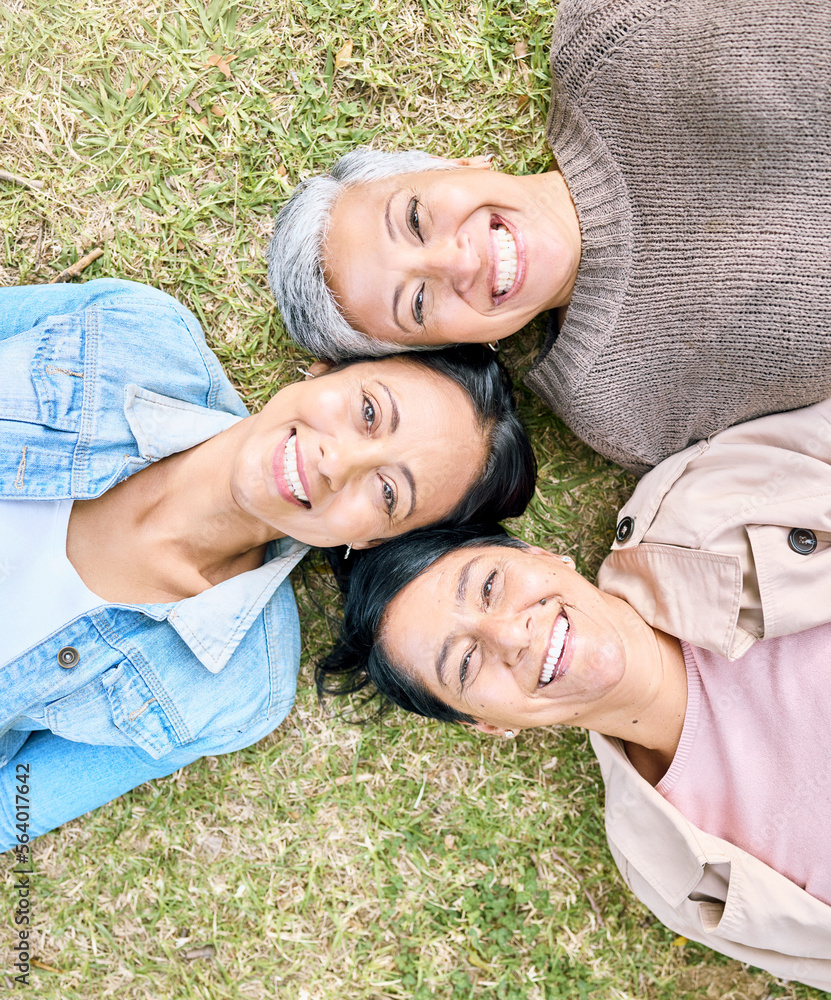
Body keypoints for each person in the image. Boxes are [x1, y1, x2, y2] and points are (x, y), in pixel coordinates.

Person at [0, 278, 535, 849]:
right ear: (328, 367)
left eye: (386, 493)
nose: (338, 462)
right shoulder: (136, 333)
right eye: (370, 411)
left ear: (378, 540)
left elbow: (17, 807)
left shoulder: (236, 687)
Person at [268, 0, 831, 473]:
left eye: (415, 219)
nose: (457, 261)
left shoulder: (613, 32)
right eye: (418, 302)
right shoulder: (622, 410)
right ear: (460, 347)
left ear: (456, 164)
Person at [318, 526, 831, 991]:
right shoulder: (666, 874)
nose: (509, 636)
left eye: (489, 587)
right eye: (467, 663)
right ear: (492, 725)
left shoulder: (718, 512)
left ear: (547, 555)